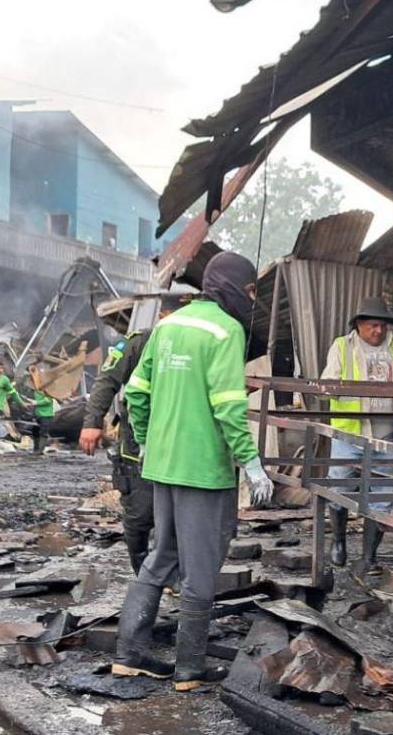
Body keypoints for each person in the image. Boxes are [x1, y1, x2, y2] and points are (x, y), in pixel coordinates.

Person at [110, 251, 274, 691]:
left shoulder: (167, 325)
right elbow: (228, 407)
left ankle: (130, 655)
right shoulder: (227, 331)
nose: (253, 299)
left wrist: (145, 441)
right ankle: (188, 669)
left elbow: (135, 393)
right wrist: (252, 463)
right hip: (204, 470)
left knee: (162, 556)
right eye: (252, 290)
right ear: (233, 287)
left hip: (161, 465)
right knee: (200, 570)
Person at [79, 292, 186, 575]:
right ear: (162, 316)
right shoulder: (140, 342)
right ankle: (143, 572)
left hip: (180, 443)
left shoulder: (194, 346)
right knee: (141, 512)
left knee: (178, 515)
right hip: (138, 442)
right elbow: (107, 380)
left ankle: (172, 573)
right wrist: (92, 421)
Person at [321, 296, 393, 575]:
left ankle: (368, 557)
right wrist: (334, 389)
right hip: (349, 434)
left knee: (383, 496)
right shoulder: (343, 346)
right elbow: (328, 381)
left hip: (388, 435)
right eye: (373, 325)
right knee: (339, 488)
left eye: (383, 326)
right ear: (359, 325)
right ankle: (338, 541)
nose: (378, 331)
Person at [26, 364, 56, 455]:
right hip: (38, 414)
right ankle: (35, 449)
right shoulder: (36, 390)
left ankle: (40, 450)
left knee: (43, 432)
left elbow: (48, 400)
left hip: (47, 414)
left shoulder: (47, 388)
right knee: (35, 430)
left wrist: (36, 403)